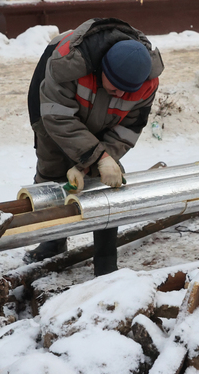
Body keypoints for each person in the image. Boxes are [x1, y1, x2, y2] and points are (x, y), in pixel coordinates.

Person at [23, 18, 164, 276]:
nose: (121, 95)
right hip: (52, 113)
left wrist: (104, 158)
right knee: (52, 172)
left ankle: (106, 261)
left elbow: (128, 128)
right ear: (102, 70)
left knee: (107, 181)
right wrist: (93, 156)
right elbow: (59, 118)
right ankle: (54, 240)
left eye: (128, 92)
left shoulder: (145, 82)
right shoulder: (66, 65)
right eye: (116, 87)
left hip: (103, 120)